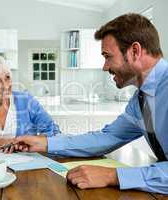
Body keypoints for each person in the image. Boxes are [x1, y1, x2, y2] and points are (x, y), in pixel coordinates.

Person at [12, 13, 168, 194]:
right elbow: (108, 138)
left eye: (107, 56)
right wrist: (45, 143)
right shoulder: (140, 100)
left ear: (135, 51)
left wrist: (114, 176)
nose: (104, 66)